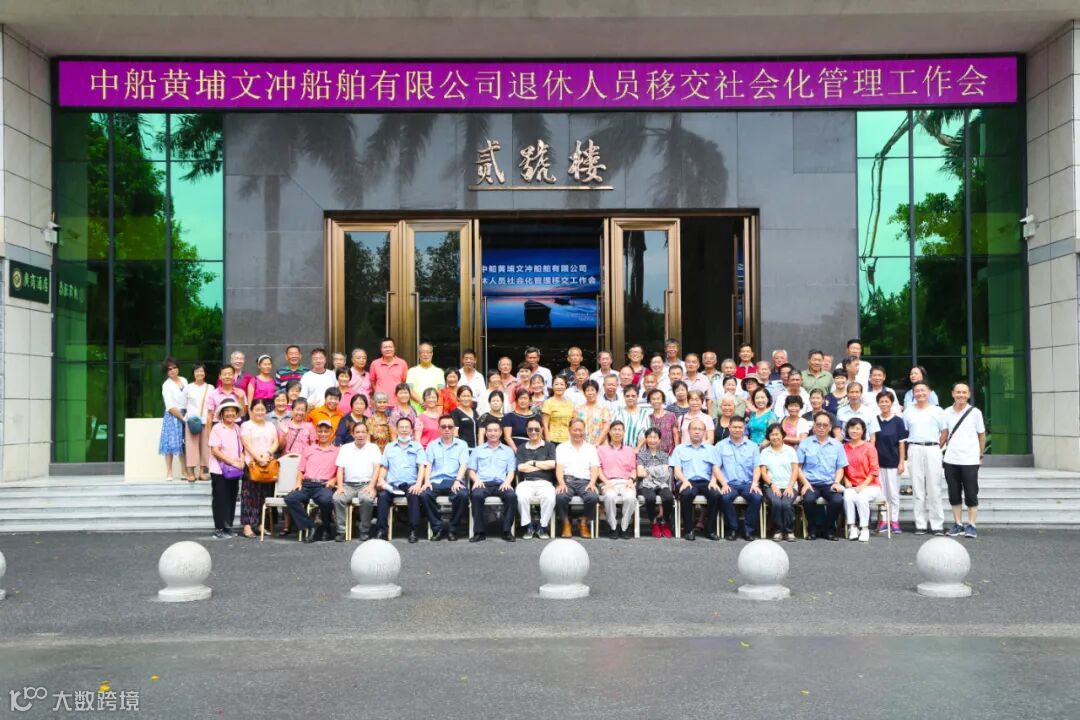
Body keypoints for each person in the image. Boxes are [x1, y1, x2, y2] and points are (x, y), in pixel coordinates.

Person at [375, 417, 432, 543]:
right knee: (382, 496)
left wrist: (418, 484)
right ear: (396, 429)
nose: (404, 430)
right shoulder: (389, 447)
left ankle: (413, 531)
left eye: (407, 427)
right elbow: (384, 467)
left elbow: (421, 466)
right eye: (401, 427)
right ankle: (382, 530)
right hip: (392, 485)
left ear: (411, 430)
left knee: (414, 495)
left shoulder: (417, 446)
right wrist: (380, 480)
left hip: (410, 484)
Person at [903, 381, 948, 535]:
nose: (920, 393)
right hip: (914, 448)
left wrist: (937, 447)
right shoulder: (908, 411)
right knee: (917, 488)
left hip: (933, 448)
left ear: (929, 392)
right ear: (913, 394)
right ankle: (920, 524)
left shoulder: (937, 410)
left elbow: (944, 431)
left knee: (934, 488)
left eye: (923, 390)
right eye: (917, 391)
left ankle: (937, 524)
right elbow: (905, 431)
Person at [285, 419, 340, 543]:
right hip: (306, 484)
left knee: (326, 500)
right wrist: (298, 482)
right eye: (320, 431)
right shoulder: (309, 449)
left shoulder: (337, 451)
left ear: (331, 432)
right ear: (316, 433)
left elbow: (341, 471)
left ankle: (326, 528)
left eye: (326, 431)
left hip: (324, 485)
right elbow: (301, 469)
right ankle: (311, 526)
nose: (323, 434)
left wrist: (334, 480)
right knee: (290, 499)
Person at [796, 412, 849, 541]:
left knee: (837, 500)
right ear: (814, 426)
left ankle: (828, 528)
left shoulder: (837, 445)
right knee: (808, 500)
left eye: (825, 425)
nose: (821, 428)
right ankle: (813, 528)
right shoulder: (805, 443)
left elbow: (840, 468)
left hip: (830, 483)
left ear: (830, 427)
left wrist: (836, 482)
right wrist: (805, 483)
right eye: (818, 424)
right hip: (810, 483)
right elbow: (797, 467)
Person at [943, 382, 986, 539]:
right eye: (958, 392)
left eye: (964, 392)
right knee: (953, 493)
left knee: (971, 493)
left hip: (970, 460)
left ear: (968, 395)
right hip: (951, 459)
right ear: (952, 393)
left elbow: (981, 435)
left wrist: (980, 455)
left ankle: (972, 525)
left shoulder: (975, 413)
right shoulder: (946, 412)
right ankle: (958, 524)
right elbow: (944, 434)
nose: (961, 395)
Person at [670, 419, 722, 541]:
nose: (697, 432)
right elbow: (677, 470)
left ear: (704, 432)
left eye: (700, 429)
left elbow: (716, 468)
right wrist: (684, 481)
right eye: (694, 429)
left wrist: (714, 480)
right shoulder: (680, 449)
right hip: (687, 481)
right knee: (686, 494)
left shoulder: (711, 449)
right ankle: (689, 530)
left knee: (716, 495)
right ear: (688, 431)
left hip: (706, 481)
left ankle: (710, 530)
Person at [714, 415, 763, 541]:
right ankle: (733, 528)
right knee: (724, 497)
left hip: (748, 483)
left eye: (740, 427)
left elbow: (757, 467)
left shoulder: (753, 446)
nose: (737, 429)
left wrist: (755, 483)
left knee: (757, 497)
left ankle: (748, 530)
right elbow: (716, 467)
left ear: (744, 429)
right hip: (729, 483)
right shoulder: (720, 445)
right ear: (729, 428)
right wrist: (723, 484)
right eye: (734, 427)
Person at [422, 415, 471, 541]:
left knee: (463, 495)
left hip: (453, 481)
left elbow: (463, 465)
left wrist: (458, 480)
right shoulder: (432, 445)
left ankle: (452, 529)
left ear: (454, 428)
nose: (447, 429)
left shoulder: (462, 445)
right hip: (436, 481)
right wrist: (426, 481)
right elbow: (428, 465)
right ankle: (437, 528)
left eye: (450, 426)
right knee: (424, 494)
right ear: (439, 428)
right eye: (443, 427)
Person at [468, 420, 519, 542]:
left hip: (501, 484)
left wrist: (507, 482)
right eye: (490, 431)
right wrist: (476, 480)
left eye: (496, 430)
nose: (493, 433)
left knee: (511, 496)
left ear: (500, 432)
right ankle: (479, 532)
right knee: (476, 495)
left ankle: (506, 531)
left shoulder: (508, 451)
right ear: (486, 433)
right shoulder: (478, 450)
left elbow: (511, 471)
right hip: (482, 483)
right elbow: (471, 470)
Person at [332, 420, 381, 542]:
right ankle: (341, 531)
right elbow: (340, 469)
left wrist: (371, 486)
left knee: (366, 499)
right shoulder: (345, 448)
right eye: (357, 432)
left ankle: (364, 531)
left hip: (366, 484)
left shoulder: (373, 448)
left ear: (367, 433)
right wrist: (340, 487)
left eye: (363, 432)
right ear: (352, 434)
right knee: (337, 498)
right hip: (348, 485)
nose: (360, 435)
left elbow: (377, 469)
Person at [239, 398, 280, 539]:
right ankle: (247, 526)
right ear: (251, 410)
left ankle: (260, 524)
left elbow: (276, 442)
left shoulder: (270, 425)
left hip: (267, 464)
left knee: (264, 494)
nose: (260, 412)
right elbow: (247, 445)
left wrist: (267, 454)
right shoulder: (246, 425)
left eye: (262, 409)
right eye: (257, 409)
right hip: (251, 464)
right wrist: (258, 458)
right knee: (248, 495)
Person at [554, 417, 601, 538]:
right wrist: (561, 483)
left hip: (585, 481)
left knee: (592, 497)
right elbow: (559, 468)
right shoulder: (561, 447)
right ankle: (566, 523)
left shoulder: (590, 448)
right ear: (569, 430)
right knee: (560, 497)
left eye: (580, 430)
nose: (578, 433)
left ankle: (583, 523)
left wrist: (592, 482)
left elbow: (594, 468)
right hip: (567, 481)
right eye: (575, 430)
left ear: (584, 430)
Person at [208, 398, 245, 539]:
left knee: (231, 499)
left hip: (234, 471)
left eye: (233, 411)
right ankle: (219, 529)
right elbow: (215, 450)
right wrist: (232, 462)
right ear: (222, 413)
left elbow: (242, 448)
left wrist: (241, 460)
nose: (230, 413)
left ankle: (228, 527)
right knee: (220, 500)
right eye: (227, 411)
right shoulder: (217, 428)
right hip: (219, 470)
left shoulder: (237, 428)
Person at [515, 416, 558, 539]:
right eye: (530, 429)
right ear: (526, 430)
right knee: (521, 496)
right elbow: (520, 467)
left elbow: (552, 464)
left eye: (536, 429)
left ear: (542, 429)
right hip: (526, 482)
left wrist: (532, 463)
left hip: (545, 483)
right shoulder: (522, 447)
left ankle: (542, 527)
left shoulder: (549, 446)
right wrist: (543, 466)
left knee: (550, 497)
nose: (533, 432)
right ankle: (528, 526)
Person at [596, 421, 639, 539]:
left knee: (630, 498)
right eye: (614, 429)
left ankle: (625, 527)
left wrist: (631, 480)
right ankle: (613, 526)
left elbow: (634, 469)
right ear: (609, 432)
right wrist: (606, 482)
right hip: (608, 482)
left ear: (624, 433)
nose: (617, 432)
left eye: (620, 430)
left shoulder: (630, 450)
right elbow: (598, 469)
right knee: (609, 496)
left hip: (626, 482)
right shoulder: (601, 449)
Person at [842, 417, 881, 542]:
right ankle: (852, 527)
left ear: (863, 431)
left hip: (870, 485)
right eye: (852, 428)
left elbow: (874, 470)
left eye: (858, 428)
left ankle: (864, 528)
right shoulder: (843, 447)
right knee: (847, 496)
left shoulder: (869, 447)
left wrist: (863, 485)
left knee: (862, 498)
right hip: (851, 485)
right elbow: (840, 467)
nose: (854, 431)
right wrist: (846, 480)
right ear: (847, 430)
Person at [759, 423, 799, 541]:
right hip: (771, 486)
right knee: (776, 503)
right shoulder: (765, 452)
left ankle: (789, 531)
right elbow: (763, 473)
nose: (775, 437)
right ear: (768, 437)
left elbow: (795, 470)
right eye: (772, 435)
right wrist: (772, 485)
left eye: (777, 434)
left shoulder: (790, 450)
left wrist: (790, 486)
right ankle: (778, 530)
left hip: (789, 485)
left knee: (786, 504)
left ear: (782, 435)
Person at [874, 390, 907, 534]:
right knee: (882, 494)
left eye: (887, 401)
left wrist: (901, 462)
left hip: (894, 463)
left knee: (893, 494)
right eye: (881, 401)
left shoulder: (898, 421)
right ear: (878, 403)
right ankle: (883, 520)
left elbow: (901, 444)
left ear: (891, 403)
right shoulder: (875, 420)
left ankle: (894, 521)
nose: (884, 404)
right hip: (878, 463)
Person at [636, 428, 675, 538]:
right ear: (646, 439)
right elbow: (640, 473)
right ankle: (653, 522)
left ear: (659, 440)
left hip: (662, 483)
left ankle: (665, 522)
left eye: (655, 437)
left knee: (669, 497)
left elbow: (665, 474)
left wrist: (648, 470)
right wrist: (658, 470)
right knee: (650, 498)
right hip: (646, 484)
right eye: (650, 437)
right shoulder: (641, 455)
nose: (652, 440)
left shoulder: (664, 455)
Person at [181, 363, 212, 482]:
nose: (199, 373)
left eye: (201, 371)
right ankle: (191, 473)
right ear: (193, 373)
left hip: (206, 421)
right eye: (197, 371)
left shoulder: (210, 388)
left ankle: (202, 472)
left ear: (205, 373)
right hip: (192, 422)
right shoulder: (188, 388)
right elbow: (183, 404)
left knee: (205, 447)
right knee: (191, 447)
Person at [159, 358, 187, 480]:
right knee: (169, 445)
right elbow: (170, 406)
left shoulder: (184, 380)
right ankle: (169, 472)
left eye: (174, 367)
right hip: (173, 415)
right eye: (169, 369)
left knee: (184, 444)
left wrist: (187, 416)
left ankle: (184, 472)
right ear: (166, 371)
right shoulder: (166, 385)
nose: (172, 370)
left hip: (186, 414)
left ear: (178, 368)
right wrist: (182, 418)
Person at [206, 364, 246, 429]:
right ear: (220, 377)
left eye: (230, 374)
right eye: (224, 374)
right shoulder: (213, 394)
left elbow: (243, 414)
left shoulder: (240, 392)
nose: (227, 376)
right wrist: (209, 433)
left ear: (234, 376)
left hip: (236, 425)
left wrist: (241, 398)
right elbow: (210, 415)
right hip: (218, 425)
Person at [614, 385, 651, 449]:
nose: (630, 398)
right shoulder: (618, 412)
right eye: (627, 396)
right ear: (624, 397)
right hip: (618, 450)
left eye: (633, 396)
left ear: (638, 396)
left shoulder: (644, 413)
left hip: (639, 451)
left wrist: (637, 449)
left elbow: (647, 434)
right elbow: (612, 431)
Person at [574, 380, 611, 446]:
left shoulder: (603, 408)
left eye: (592, 390)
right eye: (587, 390)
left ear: (597, 392)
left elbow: (606, 427)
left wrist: (598, 442)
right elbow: (575, 427)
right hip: (582, 445)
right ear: (584, 393)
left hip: (601, 444)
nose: (590, 393)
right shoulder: (578, 409)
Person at [279, 398, 315, 464]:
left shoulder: (309, 426)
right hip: (286, 461)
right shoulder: (284, 424)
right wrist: (284, 434)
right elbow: (280, 448)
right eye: (297, 409)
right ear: (292, 410)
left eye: (302, 410)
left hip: (303, 462)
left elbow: (313, 446)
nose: (300, 412)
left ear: (306, 412)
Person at [541, 375, 575, 444]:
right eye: (556, 384)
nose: (559, 387)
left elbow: (573, 424)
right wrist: (548, 442)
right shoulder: (548, 402)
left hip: (568, 440)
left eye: (562, 384)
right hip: (553, 440)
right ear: (552, 386)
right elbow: (545, 424)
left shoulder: (570, 404)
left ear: (566, 386)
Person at [647, 388, 679, 454]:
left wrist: (677, 451)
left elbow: (676, 435)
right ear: (650, 401)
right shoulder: (648, 418)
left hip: (670, 453)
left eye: (658, 398)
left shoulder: (671, 415)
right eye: (653, 399)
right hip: (654, 453)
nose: (656, 401)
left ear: (662, 400)